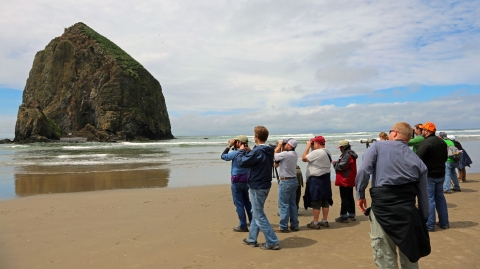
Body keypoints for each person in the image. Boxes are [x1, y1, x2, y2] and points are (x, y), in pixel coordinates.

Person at [356, 122, 430, 269]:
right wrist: (422, 219)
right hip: (408, 213)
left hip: (382, 208)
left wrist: (360, 194)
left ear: (395, 133)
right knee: (410, 259)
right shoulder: (418, 162)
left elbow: (363, 170)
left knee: (385, 259)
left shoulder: (377, 146)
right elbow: (423, 196)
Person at [237, 126, 280, 250]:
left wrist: (241, 151)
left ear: (256, 136)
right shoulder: (268, 150)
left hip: (257, 185)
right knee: (255, 212)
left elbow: (242, 162)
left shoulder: (258, 151)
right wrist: (250, 151)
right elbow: (256, 159)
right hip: (264, 184)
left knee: (259, 214)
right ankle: (252, 238)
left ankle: (272, 241)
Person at [416, 122, 449, 231]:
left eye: (423, 130)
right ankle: (444, 223)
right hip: (440, 173)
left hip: (429, 174)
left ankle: (430, 225)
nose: (422, 132)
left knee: (429, 199)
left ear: (427, 131)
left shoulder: (426, 143)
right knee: (440, 197)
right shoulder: (442, 142)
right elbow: (445, 157)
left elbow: (418, 159)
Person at [221, 135, 252, 232]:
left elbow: (223, 156)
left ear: (239, 143)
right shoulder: (249, 153)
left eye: (236, 141)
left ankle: (243, 225)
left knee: (239, 203)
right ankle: (252, 221)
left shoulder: (236, 153)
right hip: (246, 180)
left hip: (237, 181)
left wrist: (229, 146)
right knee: (247, 201)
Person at [302, 135, 333, 229]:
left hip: (316, 179)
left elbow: (304, 158)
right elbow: (314, 157)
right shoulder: (326, 151)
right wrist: (312, 147)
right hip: (325, 178)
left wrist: (307, 147)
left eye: (313, 143)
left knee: (316, 200)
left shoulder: (318, 152)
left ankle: (315, 222)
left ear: (317, 143)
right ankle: (324, 220)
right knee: (325, 200)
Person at [273, 138, 299, 233]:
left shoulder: (285, 154)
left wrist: (278, 147)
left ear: (289, 145)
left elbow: (274, 156)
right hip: (293, 180)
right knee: (293, 204)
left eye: (286, 144)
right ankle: (294, 225)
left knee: (283, 205)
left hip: (285, 181)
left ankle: (283, 226)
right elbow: (276, 164)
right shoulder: (294, 154)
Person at [332, 140, 357, 223]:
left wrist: (335, 164)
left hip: (345, 179)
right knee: (349, 197)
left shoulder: (347, 155)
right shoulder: (349, 154)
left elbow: (342, 166)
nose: (340, 149)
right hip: (349, 178)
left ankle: (343, 216)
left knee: (345, 198)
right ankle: (351, 214)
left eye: (341, 147)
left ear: (344, 147)